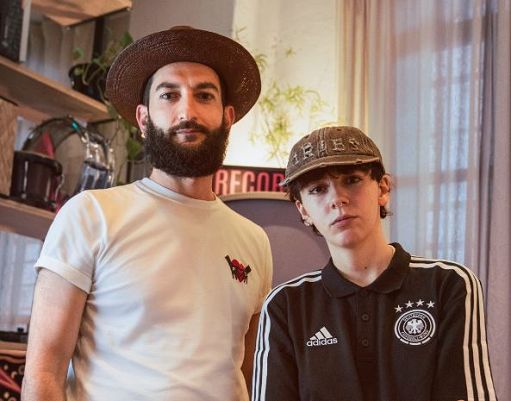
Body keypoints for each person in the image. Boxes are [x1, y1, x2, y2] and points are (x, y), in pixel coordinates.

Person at [21, 26, 273, 401]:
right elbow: (43, 373)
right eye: (169, 95)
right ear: (143, 119)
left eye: (204, 95)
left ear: (227, 116)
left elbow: (248, 374)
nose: (187, 111)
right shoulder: (90, 215)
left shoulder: (255, 241)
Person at [251, 126, 497, 401]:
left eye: (352, 180)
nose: (337, 199)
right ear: (303, 210)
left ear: (382, 188)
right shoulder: (285, 305)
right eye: (318, 189)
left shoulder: (449, 284)